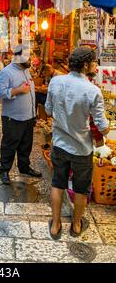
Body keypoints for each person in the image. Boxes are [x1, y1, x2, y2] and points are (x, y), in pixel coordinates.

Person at [45, 47, 110, 240]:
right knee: (81, 188)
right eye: (93, 62)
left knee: (58, 183)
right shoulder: (93, 91)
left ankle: (55, 225)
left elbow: (48, 110)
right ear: (85, 65)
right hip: (82, 149)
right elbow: (103, 127)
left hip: (59, 144)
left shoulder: (56, 81)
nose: (95, 66)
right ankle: (76, 224)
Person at [0, 45, 42, 184]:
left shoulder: (26, 70)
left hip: (28, 116)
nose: (30, 59)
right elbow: (0, 93)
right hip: (13, 117)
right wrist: (18, 90)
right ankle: (4, 170)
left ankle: (24, 167)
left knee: (26, 144)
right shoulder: (6, 72)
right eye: (27, 57)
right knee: (9, 145)